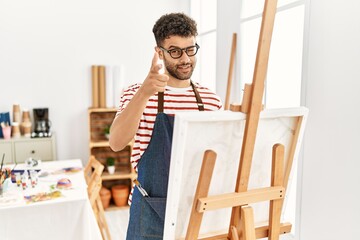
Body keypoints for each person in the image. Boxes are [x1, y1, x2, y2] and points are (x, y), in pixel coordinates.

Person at [109, 12, 222, 239]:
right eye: (175, 51)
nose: (185, 59)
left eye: (190, 49)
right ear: (159, 52)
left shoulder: (211, 101)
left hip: (198, 211)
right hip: (149, 213)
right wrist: (145, 92)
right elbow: (116, 142)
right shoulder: (135, 94)